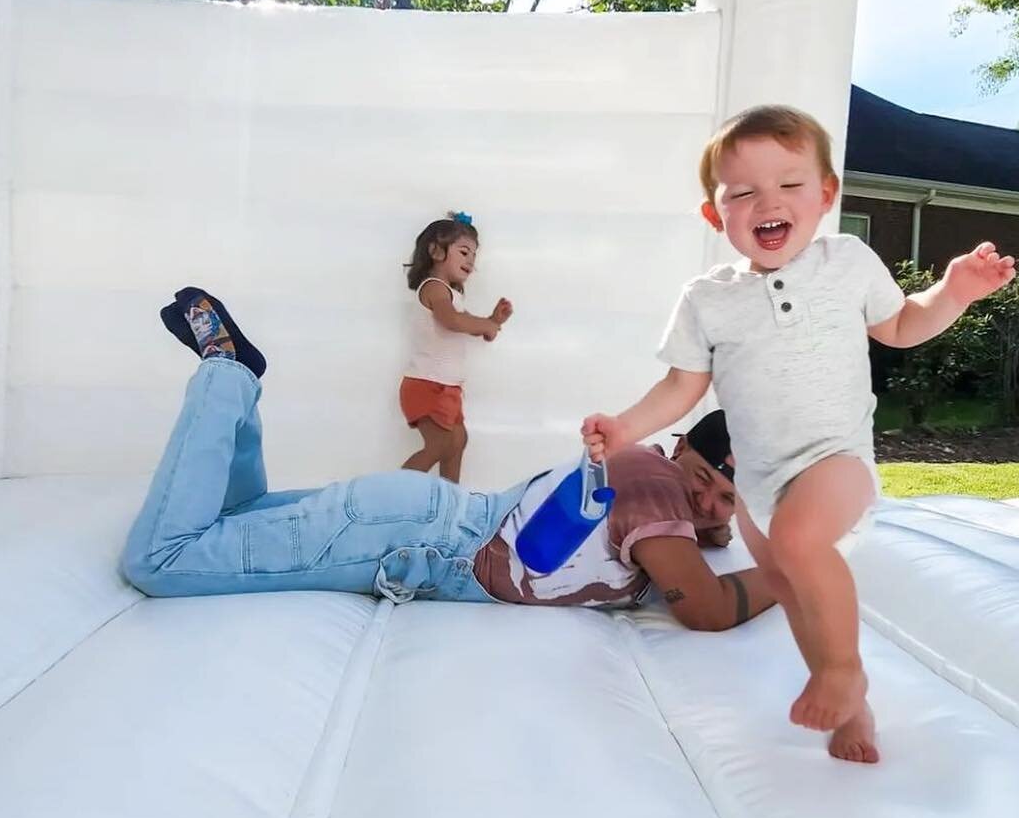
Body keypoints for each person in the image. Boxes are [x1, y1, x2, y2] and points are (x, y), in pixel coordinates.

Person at [582, 105, 1016, 765]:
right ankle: (851, 708)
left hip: (834, 461)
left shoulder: (846, 262)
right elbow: (682, 387)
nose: (769, 203)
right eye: (743, 192)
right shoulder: (706, 299)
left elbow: (900, 326)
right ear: (714, 215)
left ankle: (845, 671)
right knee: (787, 586)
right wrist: (625, 427)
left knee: (799, 539)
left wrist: (954, 291)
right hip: (757, 483)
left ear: (826, 194)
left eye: (789, 184)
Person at [124, 288, 772, 649]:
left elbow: (700, 538)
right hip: (400, 537)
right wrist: (790, 577)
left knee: (231, 519)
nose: (711, 506)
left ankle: (238, 387)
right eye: (704, 481)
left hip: (411, 518)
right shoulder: (654, 489)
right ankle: (227, 372)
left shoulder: (651, 479)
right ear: (679, 445)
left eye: (726, 500)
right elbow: (707, 611)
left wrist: (714, 520)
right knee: (161, 561)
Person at [398, 212, 513, 482]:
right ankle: (395, 494)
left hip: (447, 387)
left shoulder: (453, 296)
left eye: (473, 255)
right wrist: (486, 324)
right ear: (436, 251)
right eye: (464, 252)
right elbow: (451, 321)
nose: (471, 261)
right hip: (426, 385)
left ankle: (449, 500)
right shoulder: (434, 288)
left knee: (457, 442)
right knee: (440, 445)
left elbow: (468, 327)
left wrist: (492, 322)